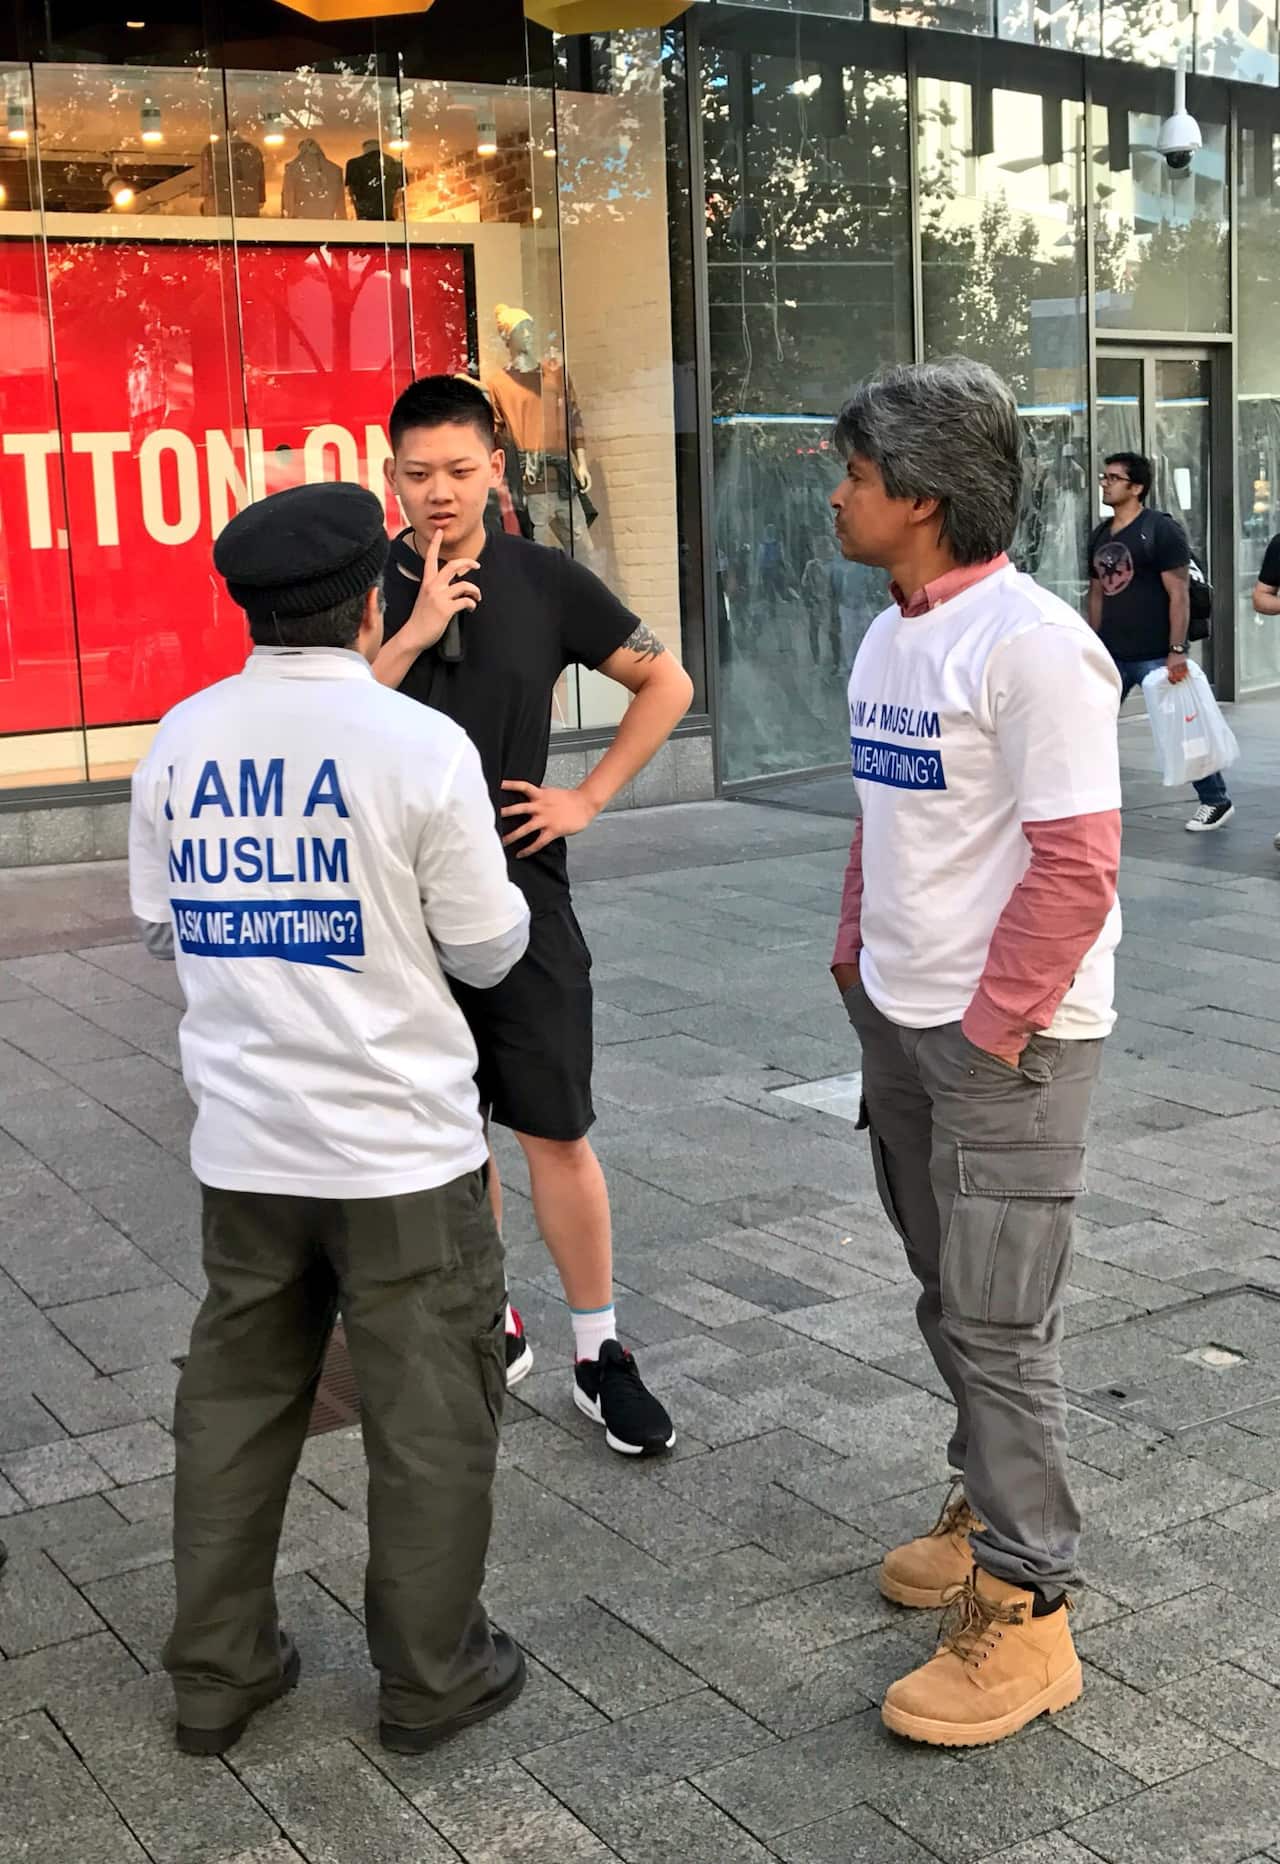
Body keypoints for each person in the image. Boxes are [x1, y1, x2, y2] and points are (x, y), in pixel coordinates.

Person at [129, 482, 532, 1758]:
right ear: (377, 594)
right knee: (427, 1414)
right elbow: (488, 949)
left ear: (244, 604)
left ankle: (217, 1673)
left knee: (236, 1401)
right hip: (400, 1150)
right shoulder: (415, 747)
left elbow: (161, 924)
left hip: (245, 1146)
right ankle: (430, 1675)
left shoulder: (180, 739)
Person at [829, 359, 1122, 1748]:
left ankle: (1029, 1608)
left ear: (925, 501)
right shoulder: (891, 632)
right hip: (902, 1018)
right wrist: (856, 962)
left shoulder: (1032, 645)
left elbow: (1078, 869)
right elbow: (882, 818)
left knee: (1001, 1325)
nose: (838, 496)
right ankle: (985, 1497)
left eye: (858, 478)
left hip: (1011, 1042)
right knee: (950, 1293)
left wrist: (992, 1029)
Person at [376, 376, 693, 1457]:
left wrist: (587, 798)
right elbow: (332, 719)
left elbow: (666, 684)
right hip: (397, 909)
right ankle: (490, 1309)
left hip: (522, 889)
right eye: (417, 474)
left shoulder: (544, 578)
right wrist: (411, 633)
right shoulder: (366, 588)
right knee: (451, 1132)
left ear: (494, 473)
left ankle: (598, 1353)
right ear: (391, 478)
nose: (438, 493)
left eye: (458, 471)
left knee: (553, 1127)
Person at [1088, 451, 1233, 832]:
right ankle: (1089, 802)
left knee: (1182, 728)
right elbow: (1097, 593)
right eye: (1104, 477)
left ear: (1136, 488)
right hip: (1112, 654)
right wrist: (1092, 643)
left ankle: (1215, 800)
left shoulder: (1160, 530)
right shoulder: (1101, 534)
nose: (1105, 482)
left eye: (1113, 478)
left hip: (1157, 653)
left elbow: (1179, 594)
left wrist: (1177, 649)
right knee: (1089, 727)